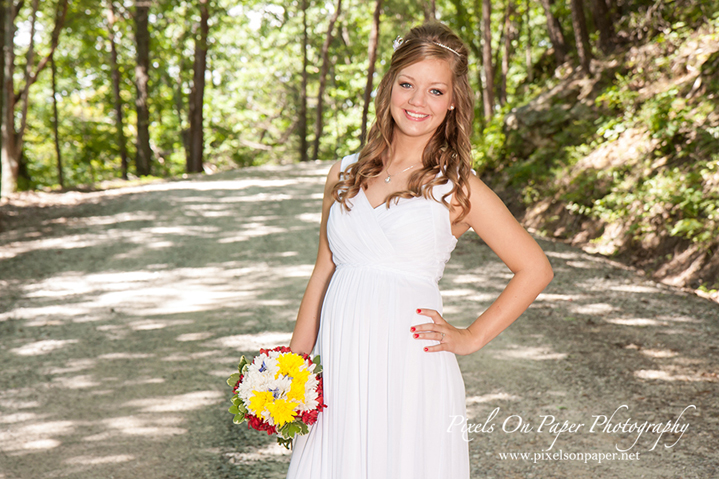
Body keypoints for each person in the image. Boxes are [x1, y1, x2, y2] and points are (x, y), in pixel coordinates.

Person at [286, 22, 553, 479]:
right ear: (389, 86)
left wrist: (471, 337)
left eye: (435, 91)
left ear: (452, 101)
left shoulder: (458, 188)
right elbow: (323, 271)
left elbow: (535, 268)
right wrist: (292, 366)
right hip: (344, 362)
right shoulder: (343, 173)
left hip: (411, 369)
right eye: (407, 84)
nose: (417, 101)